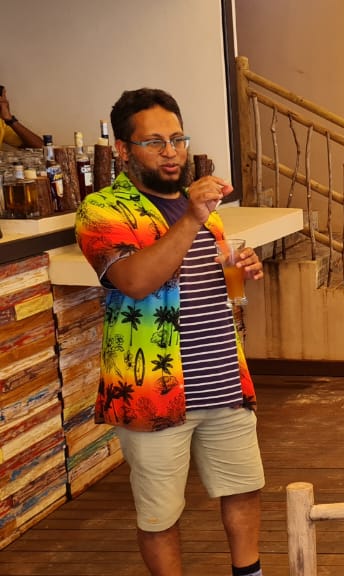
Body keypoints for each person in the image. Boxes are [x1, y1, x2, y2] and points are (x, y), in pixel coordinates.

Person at [75, 88, 265, 576]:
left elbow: (204, 281)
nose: (171, 152)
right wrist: (193, 218)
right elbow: (135, 282)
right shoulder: (102, 210)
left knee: (243, 490)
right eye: (154, 142)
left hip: (222, 378)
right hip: (151, 391)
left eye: (178, 139)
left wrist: (240, 264)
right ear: (123, 149)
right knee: (160, 514)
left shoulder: (200, 208)